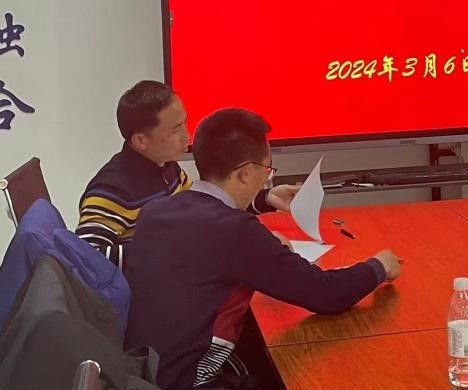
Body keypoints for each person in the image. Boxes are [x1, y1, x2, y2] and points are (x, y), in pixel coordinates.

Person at [124, 108, 402, 390]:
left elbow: (209, 244)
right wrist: (379, 266)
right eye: (267, 169)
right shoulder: (235, 231)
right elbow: (327, 294)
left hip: (142, 371)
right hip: (189, 382)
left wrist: (264, 240)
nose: (266, 177)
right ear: (246, 172)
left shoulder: (156, 210)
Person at [76, 80, 299, 268]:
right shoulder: (111, 190)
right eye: (176, 130)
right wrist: (171, 248)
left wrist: (265, 199)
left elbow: (204, 211)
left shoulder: (167, 167)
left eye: (185, 123)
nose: (187, 136)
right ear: (141, 140)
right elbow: (85, 258)